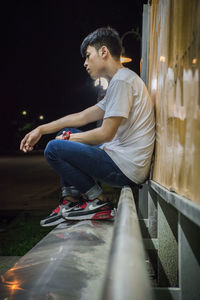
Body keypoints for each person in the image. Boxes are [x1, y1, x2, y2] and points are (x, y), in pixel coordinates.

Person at [20, 26, 155, 226]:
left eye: (88, 56)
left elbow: (105, 134)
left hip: (125, 168)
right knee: (66, 133)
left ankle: (98, 200)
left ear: (103, 52)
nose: (85, 63)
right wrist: (42, 129)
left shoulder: (122, 83)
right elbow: (82, 116)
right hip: (121, 160)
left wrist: (67, 140)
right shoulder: (121, 81)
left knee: (54, 149)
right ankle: (70, 201)